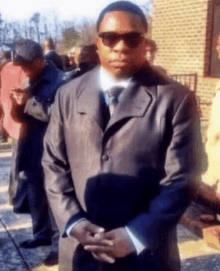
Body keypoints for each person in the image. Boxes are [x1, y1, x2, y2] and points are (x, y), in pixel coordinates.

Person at [42, 1, 201, 271]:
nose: (120, 46)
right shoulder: (68, 94)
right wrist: (73, 222)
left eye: (132, 38)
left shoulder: (175, 99)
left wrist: (136, 234)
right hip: (81, 252)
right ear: (97, 42)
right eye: (110, 37)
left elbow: (182, 177)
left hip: (145, 254)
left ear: (145, 43)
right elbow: (53, 163)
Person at [10, 39, 64, 266]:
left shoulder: (61, 81)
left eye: (27, 66)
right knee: (35, 195)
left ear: (40, 61)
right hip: (31, 147)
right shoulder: (30, 79)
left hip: (51, 148)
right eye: (21, 67)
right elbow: (22, 117)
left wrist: (30, 102)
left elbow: (59, 115)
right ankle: (41, 233)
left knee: (54, 198)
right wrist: (18, 104)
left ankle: (58, 245)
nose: (24, 71)